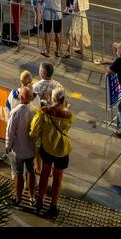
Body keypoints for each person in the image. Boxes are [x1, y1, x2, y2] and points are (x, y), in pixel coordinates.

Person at [31, 87, 73, 219]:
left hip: (47, 148)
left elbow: (36, 127)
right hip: (61, 150)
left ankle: (40, 201)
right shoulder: (68, 115)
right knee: (58, 177)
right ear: (63, 99)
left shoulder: (45, 111)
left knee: (44, 173)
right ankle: (53, 206)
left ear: (52, 98)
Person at [5, 85, 38, 209]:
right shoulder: (34, 111)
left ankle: (18, 199)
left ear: (22, 97)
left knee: (19, 174)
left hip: (18, 151)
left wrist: (8, 146)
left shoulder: (16, 112)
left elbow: (10, 132)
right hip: (31, 150)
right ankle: (32, 197)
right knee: (31, 172)